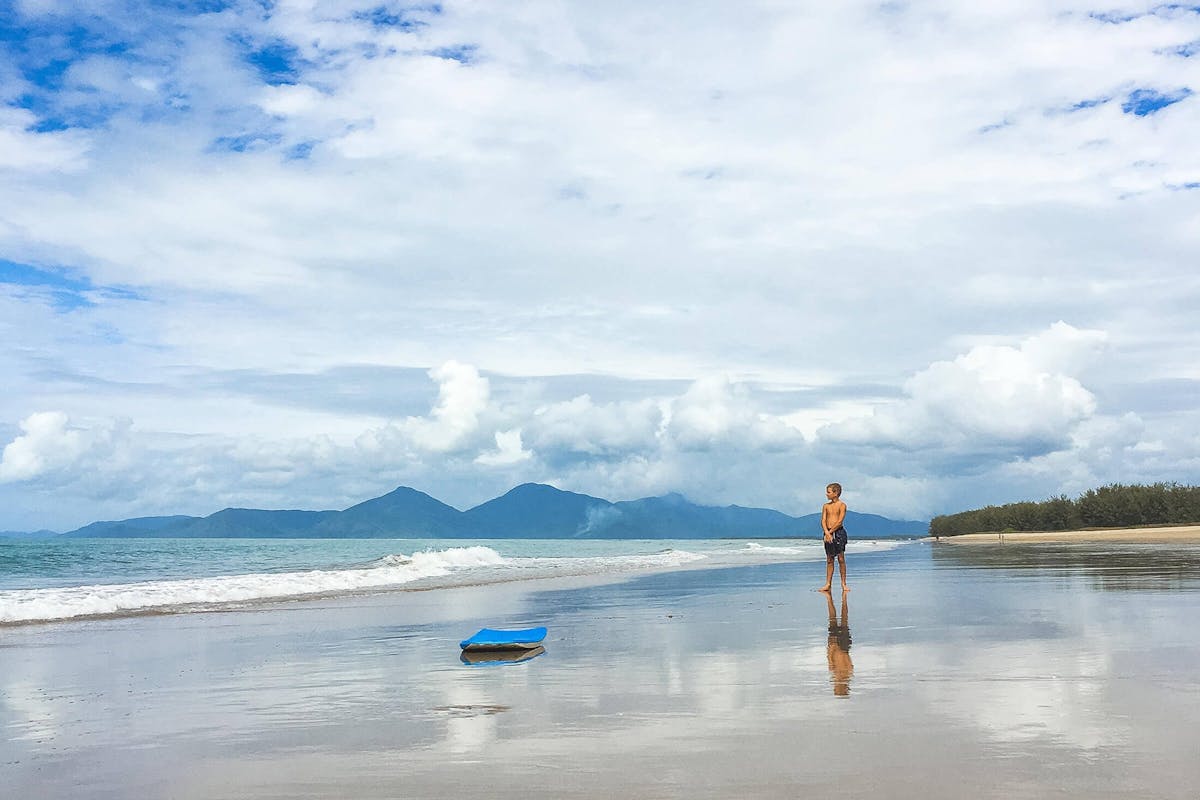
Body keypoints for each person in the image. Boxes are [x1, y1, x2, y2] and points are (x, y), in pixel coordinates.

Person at [820, 482, 849, 593]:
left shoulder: (842, 505)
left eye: (828, 492)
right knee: (829, 559)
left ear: (835, 493)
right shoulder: (826, 506)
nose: (826, 494)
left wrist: (831, 532)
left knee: (840, 558)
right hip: (828, 532)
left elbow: (840, 521)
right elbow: (823, 520)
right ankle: (828, 583)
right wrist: (827, 533)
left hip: (838, 532)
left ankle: (843, 583)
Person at [825, 592, 853, 696]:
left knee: (837, 619)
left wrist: (831, 648)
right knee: (842, 619)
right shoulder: (846, 674)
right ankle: (836, 600)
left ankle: (831, 600)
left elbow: (831, 660)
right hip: (841, 648)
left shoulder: (838, 674)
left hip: (839, 648)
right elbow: (848, 660)